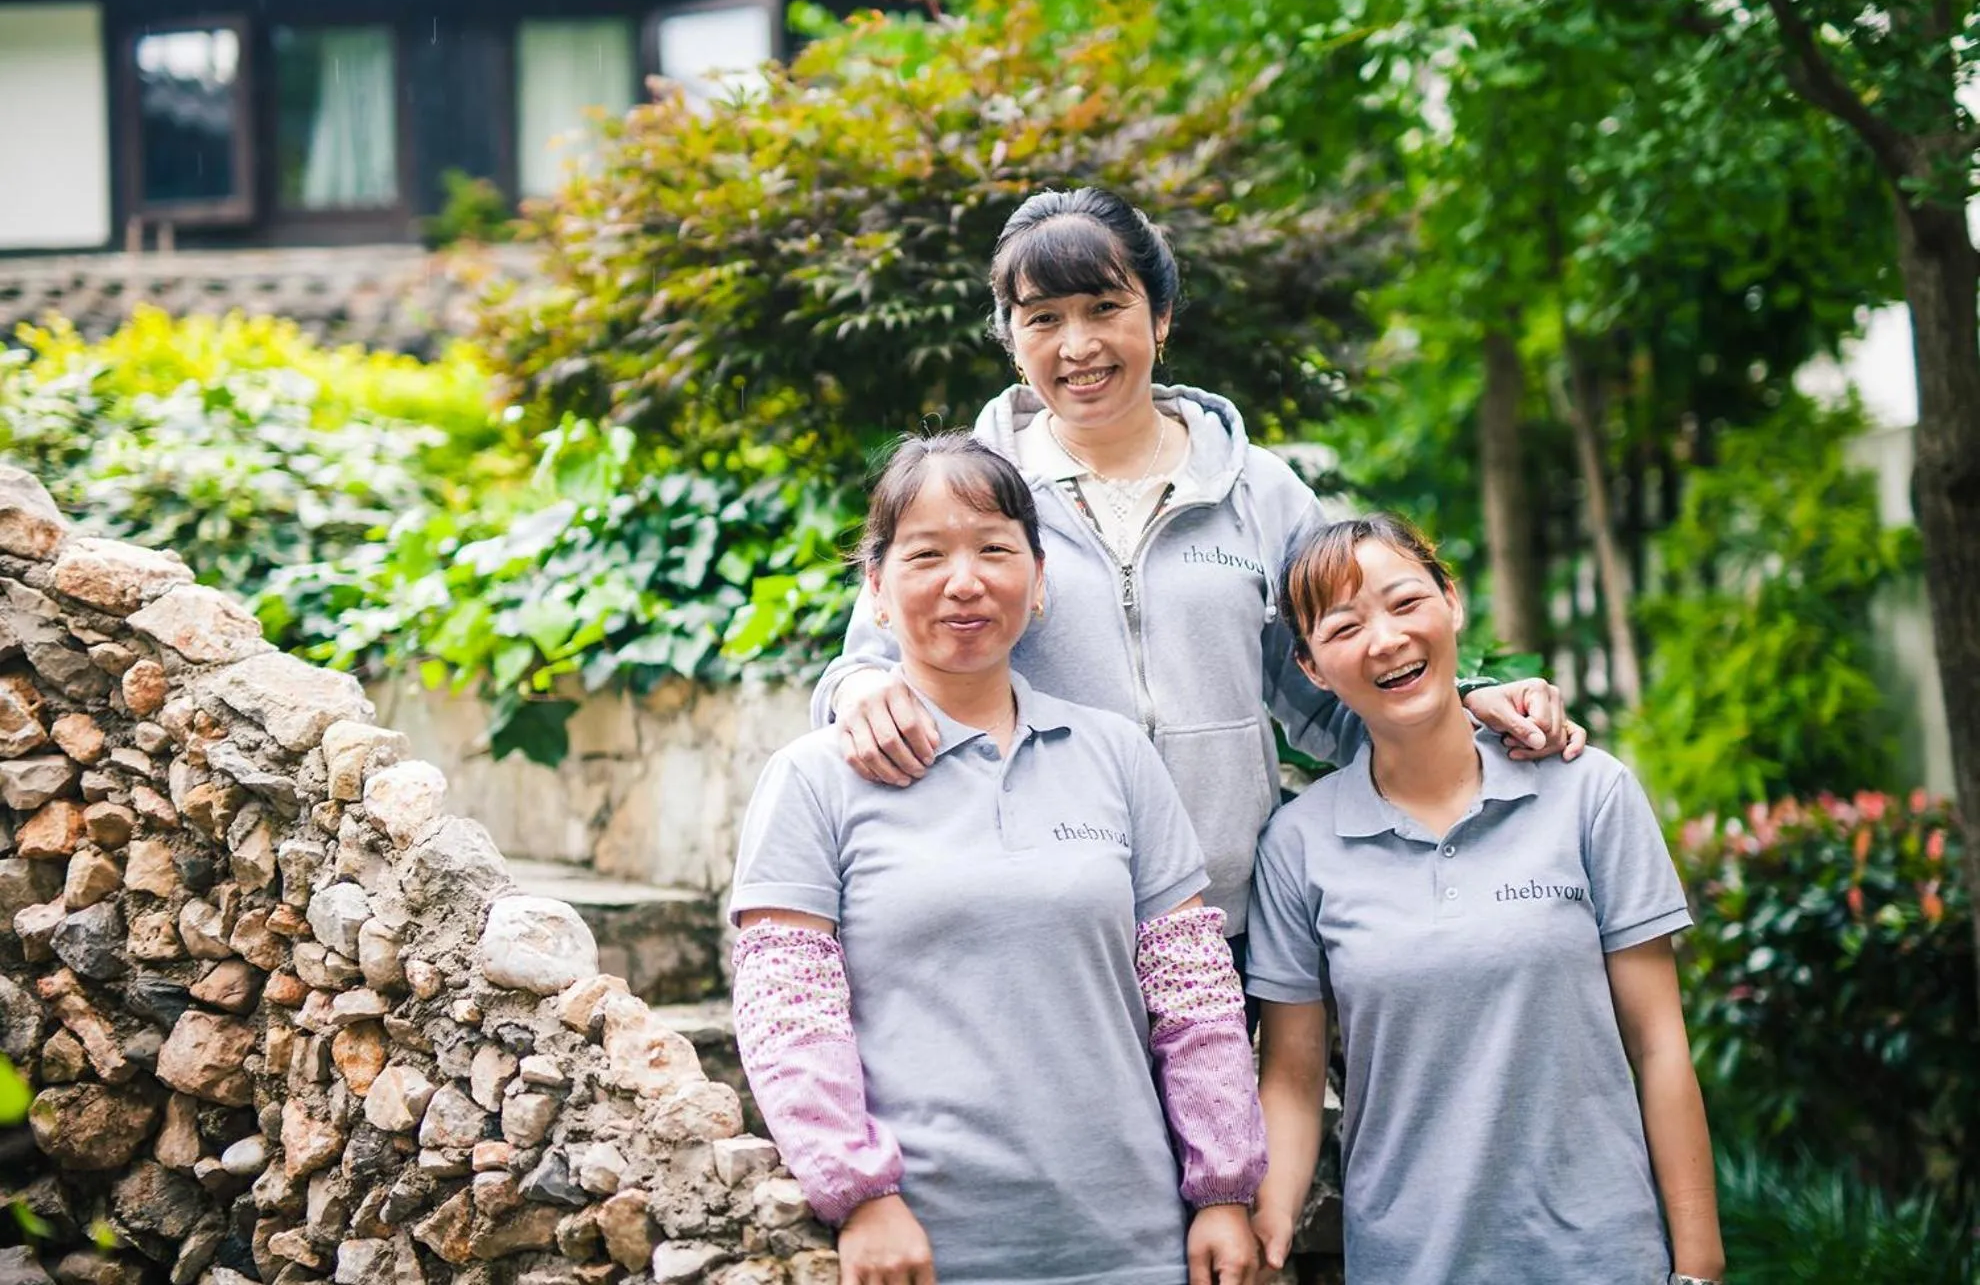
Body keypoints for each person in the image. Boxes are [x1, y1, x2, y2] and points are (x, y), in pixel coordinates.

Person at [812, 186, 1583, 962]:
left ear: (1161, 317)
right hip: (1039, 917)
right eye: (1043, 318)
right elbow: (863, 667)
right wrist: (857, 692)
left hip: (1226, 922)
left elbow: (1335, 685)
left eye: (1104, 307)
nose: (1077, 346)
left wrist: (1465, 715)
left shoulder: (1261, 490)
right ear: (1012, 339)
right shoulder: (972, 491)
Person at [729, 434, 1267, 1285]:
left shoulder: (1118, 756)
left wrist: (1224, 1189)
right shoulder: (812, 779)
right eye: (926, 555)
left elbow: (1195, 999)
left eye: (993, 549)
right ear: (874, 589)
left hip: (1132, 1241)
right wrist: (858, 1194)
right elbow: (790, 1017)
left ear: (1040, 577)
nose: (964, 581)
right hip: (923, 1249)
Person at [1246, 513, 1725, 1284]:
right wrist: (1264, 1229)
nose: (1387, 640)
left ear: (1452, 602)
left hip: (1604, 1260)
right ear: (1308, 667)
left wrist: (1699, 1267)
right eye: (1345, 627)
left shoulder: (1587, 792)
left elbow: (1661, 1044)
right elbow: (1295, 1084)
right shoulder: (1299, 846)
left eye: (1406, 603)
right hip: (1409, 1263)